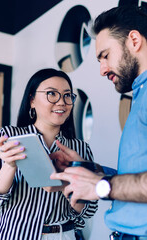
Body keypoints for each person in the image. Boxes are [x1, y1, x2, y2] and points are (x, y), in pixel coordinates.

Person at [51, 5, 147, 240]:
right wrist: (92, 170)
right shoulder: (140, 95)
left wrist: (101, 185)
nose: (102, 70)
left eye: (105, 55)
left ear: (134, 41)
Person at [0, 68, 98, 240]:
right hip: (15, 234)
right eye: (52, 93)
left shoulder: (80, 149)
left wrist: (69, 186)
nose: (61, 102)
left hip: (62, 235)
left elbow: (88, 210)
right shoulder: (10, 138)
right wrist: (9, 166)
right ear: (32, 101)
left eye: (67, 95)